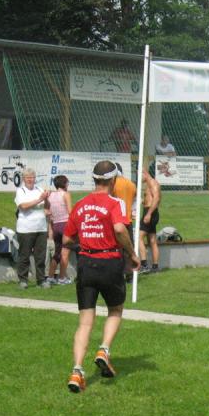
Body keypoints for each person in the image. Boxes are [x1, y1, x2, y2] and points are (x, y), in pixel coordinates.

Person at [62, 160, 141, 393]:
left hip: (86, 264)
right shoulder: (116, 203)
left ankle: (77, 371)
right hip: (109, 262)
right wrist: (132, 253)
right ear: (113, 180)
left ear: (94, 179)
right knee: (115, 310)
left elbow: (66, 239)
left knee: (85, 322)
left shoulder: (80, 205)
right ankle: (104, 349)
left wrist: (84, 243)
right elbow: (119, 229)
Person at [15, 168, 51, 289]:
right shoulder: (20, 191)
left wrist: (46, 198)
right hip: (25, 228)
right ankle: (23, 280)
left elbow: (47, 207)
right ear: (24, 179)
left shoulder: (39, 190)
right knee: (24, 256)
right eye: (28, 177)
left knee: (41, 257)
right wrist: (40, 199)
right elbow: (23, 206)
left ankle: (41, 280)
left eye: (32, 177)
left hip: (41, 227)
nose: (30, 180)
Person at [46, 175, 72, 284]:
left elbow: (48, 212)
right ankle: (62, 278)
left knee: (57, 253)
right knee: (65, 252)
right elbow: (70, 212)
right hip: (66, 224)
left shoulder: (50, 195)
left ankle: (50, 277)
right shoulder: (66, 194)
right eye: (67, 183)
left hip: (55, 225)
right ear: (64, 184)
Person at [138, 164, 161, 273]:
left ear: (144, 173)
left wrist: (149, 214)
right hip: (150, 211)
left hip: (150, 212)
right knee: (152, 240)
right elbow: (151, 199)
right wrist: (143, 201)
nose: (139, 179)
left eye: (139, 176)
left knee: (138, 237)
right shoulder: (148, 184)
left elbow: (156, 199)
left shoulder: (152, 183)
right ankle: (155, 267)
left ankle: (144, 265)